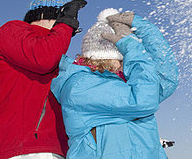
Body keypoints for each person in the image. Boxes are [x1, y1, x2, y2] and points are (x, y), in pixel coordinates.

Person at [51, 9, 179, 159]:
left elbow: (168, 76)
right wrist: (132, 46)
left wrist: (142, 27)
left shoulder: (132, 84)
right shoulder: (80, 86)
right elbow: (142, 101)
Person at [0, 0, 87, 159]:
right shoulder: (11, 31)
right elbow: (43, 58)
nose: (69, 35)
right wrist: (65, 24)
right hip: (24, 149)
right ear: (52, 15)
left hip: (54, 150)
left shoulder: (58, 56)